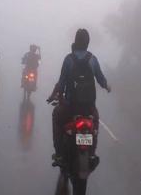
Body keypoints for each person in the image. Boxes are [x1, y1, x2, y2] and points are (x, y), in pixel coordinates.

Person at [48, 29, 111, 167]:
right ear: (88, 43)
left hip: (71, 107)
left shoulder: (68, 60)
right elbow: (101, 79)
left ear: (75, 41)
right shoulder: (92, 59)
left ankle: (59, 154)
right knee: (95, 122)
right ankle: (92, 152)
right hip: (89, 107)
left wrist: (55, 96)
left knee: (56, 115)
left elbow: (61, 82)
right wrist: (107, 86)